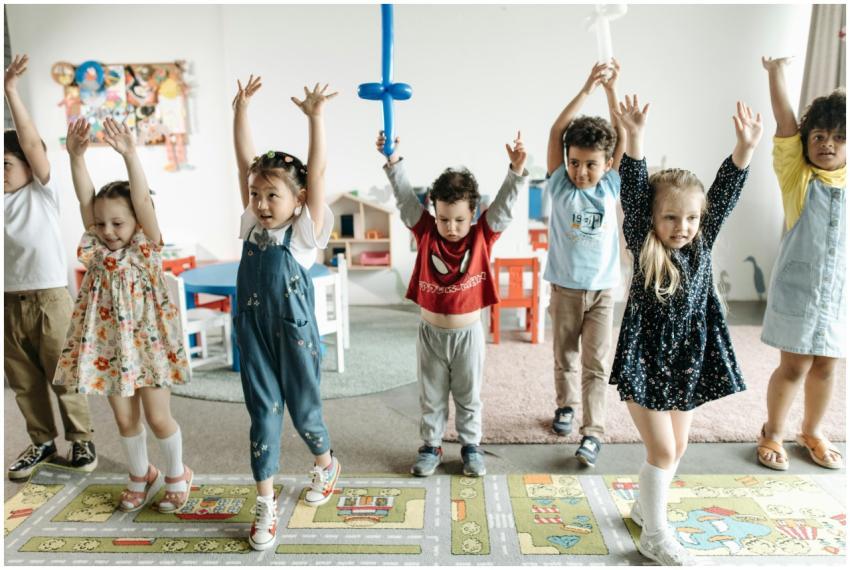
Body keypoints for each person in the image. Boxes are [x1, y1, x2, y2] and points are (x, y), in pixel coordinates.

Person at [610, 95, 762, 565]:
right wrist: (634, 138)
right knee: (662, 448)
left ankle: (642, 507)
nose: (683, 226)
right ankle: (655, 534)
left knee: (679, 447)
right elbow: (633, 188)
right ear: (653, 218)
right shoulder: (642, 237)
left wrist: (745, 149)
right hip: (647, 358)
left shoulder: (703, 239)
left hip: (689, 358)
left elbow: (726, 191)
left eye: (692, 217)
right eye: (671, 217)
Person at [53, 117, 191, 515]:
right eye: (102, 223)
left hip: (147, 347)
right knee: (123, 418)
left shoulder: (146, 247)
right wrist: (75, 157)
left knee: (158, 416)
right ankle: (139, 474)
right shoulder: (96, 247)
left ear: (136, 222)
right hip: (108, 348)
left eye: (118, 222)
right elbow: (85, 201)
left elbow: (143, 202)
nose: (109, 231)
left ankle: (177, 474)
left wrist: (131, 153)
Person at [377, 128, 529, 478]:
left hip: (468, 335)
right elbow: (404, 200)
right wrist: (393, 161)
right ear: (434, 211)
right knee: (430, 397)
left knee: (468, 396)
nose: (451, 226)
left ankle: (471, 446)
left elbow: (504, 209)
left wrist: (516, 171)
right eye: (444, 218)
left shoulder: (482, 235)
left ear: (474, 213)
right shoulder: (426, 230)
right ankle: (430, 445)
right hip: (431, 333)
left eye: (460, 219)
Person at [232, 76, 341, 551]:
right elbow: (244, 165)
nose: (260, 203)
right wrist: (240, 111)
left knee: (304, 412)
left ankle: (325, 463)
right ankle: (266, 503)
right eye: (256, 195)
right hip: (253, 332)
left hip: (294, 335)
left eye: (272, 196)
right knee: (263, 414)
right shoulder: (251, 224)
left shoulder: (301, 235)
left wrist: (315, 119)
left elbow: (315, 175)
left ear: (297, 202)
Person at [4, 53, 96, 480]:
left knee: (64, 375)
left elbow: (33, 143)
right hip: (8, 303)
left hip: (49, 299)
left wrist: (10, 93)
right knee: (23, 381)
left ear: (27, 164)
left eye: (6, 165)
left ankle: (81, 441)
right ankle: (41, 442)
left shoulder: (43, 194)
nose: (1, 174)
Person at [756, 56, 845, 471]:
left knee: (826, 366)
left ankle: (812, 430)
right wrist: (777, 73)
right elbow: (787, 122)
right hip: (799, 292)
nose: (828, 143)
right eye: (820, 136)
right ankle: (773, 432)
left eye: (839, 138)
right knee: (793, 366)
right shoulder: (798, 176)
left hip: (839, 295)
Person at [544, 59, 625, 467]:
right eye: (575, 162)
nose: (580, 170)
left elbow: (621, 136)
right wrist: (586, 88)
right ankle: (565, 407)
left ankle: (593, 432)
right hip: (564, 288)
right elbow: (558, 131)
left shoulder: (611, 184)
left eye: (590, 163)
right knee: (565, 356)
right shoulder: (559, 182)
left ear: (607, 164)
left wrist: (612, 91)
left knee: (596, 363)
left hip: (603, 292)